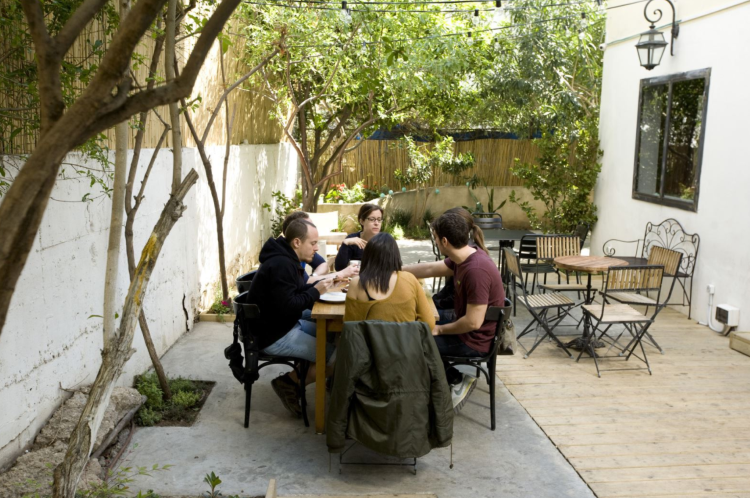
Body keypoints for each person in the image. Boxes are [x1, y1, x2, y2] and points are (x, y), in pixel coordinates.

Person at [403, 211, 506, 413]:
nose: (435, 242)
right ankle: (438, 383)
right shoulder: (464, 256)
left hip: (474, 339)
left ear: (444, 240)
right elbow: (431, 269)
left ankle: (456, 379)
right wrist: (393, 268)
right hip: (467, 324)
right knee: (416, 324)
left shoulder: (476, 270)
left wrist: (440, 331)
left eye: (434, 238)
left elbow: (473, 322)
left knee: (415, 341)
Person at [247, 219, 334, 417]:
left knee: (331, 331)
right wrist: (316, 292)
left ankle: (308, 380)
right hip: (274, 335)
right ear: (296, 242)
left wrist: (317, 288)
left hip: (283, 325)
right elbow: (288, 305)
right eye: (313, 243)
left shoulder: (286, 258)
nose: (316, 248)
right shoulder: (281, 264)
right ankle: (289, 382)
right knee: (336, 357)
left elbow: (292, 293)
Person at [344, 232, 435, 329]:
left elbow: (350, 326)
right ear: (395, 256)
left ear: (367, 256)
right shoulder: (410, 279)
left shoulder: (357, 283)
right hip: (405, 343)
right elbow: (429, 323)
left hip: (368, 343)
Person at [281, 211, 357, 284]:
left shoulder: (303, 251)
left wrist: (313, 277)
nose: (317, 248)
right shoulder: (284, 260)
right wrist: (342, 273)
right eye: (307, 226)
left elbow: (323, 265)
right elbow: (304, 283)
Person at [334, 203, 384, 271]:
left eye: (379, 219)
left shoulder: (385, 241)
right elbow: (339, 268)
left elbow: (394, 267)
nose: (376, 223)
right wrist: (345, 243)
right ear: (362, 221)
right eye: (372, 219)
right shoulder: (352, 240)